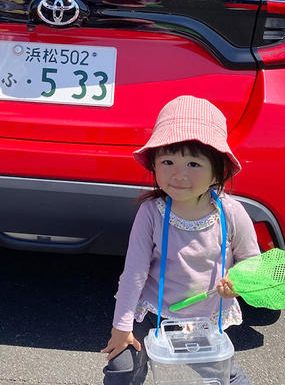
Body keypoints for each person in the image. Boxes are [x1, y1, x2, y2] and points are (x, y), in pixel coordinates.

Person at [101, 95, 260, 385]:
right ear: (154, 165)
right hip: (152, 312)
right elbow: (134, 274)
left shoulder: (231, 212)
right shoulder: (152, 212)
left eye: (193, 164)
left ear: (218, 171)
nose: (178, 173)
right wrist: (121, 327)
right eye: (168, 161)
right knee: (122, 367)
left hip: (204, 320)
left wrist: (238, 285)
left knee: (225, 375)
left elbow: (252, 262)